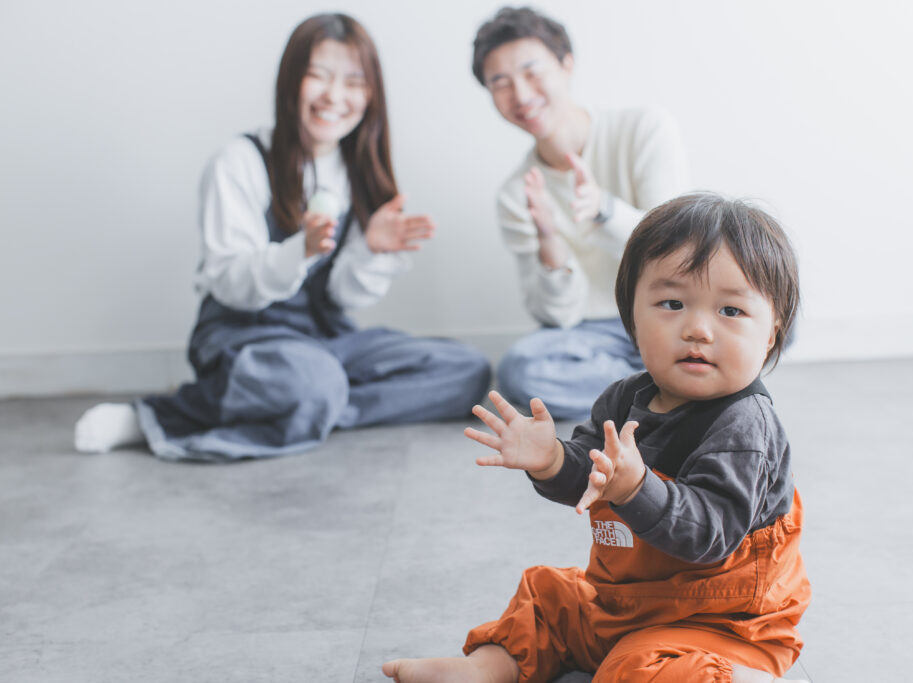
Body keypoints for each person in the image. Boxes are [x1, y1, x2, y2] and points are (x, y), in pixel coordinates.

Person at [383, 193, 810, 682]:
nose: (697, 328)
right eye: (672, 303)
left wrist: (635, 488)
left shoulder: (744, 425)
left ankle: (735, 677)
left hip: (721, 622)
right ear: (631, 316)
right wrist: (551, 462)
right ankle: (485, 669)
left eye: (730, 311)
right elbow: (587, 482)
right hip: (624, 603)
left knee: (637, 669)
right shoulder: (624, 398)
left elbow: (709, 536)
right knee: (547, 596)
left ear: (772, 333)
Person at [73, 13, 490, 461]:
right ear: (291, 80)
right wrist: (301, 251)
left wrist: (370, 250)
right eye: (319, 76)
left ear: (371, 95)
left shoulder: (358, 174)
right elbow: (230, 282)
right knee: (314, 378)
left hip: (323, 343)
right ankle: (159, 416)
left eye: (354, 82)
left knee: (466, 372)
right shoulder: (240, 162)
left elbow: (343, 295)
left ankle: (308, 406)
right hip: (244, 336)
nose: (335, 96)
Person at [472, 6, 690, 420]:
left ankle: (658, 390)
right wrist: (551, 246)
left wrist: (604, 211)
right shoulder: (516, 192)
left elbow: (679, 253)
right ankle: (681, 389)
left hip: (671, 312)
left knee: (763, 318)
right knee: (521, 369)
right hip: (598, 334)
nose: (520, 94)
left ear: (566, 64)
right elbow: (557, 316)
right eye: (500, 83)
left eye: (531, 71)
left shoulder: (645, 128)